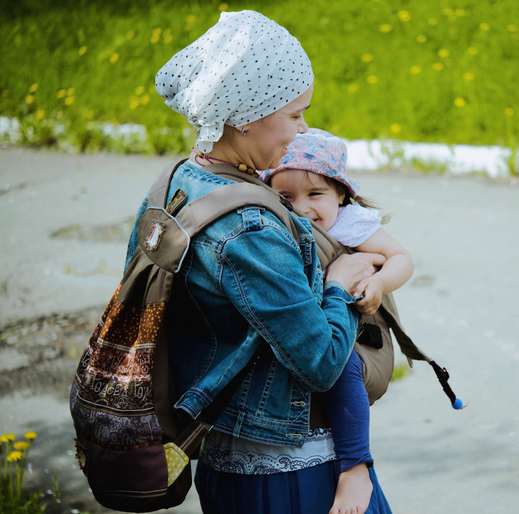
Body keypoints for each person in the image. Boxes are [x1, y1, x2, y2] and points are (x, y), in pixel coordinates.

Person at [127, 10, 392, 514]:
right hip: (294, 471)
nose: (303, 128)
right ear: (247, 115)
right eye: (295, 115)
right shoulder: (249, 226)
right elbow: (321, 362)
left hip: (227, 458)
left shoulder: (178, 182)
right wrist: (338, 286)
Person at [262, 129, 414, 514]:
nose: (301, 208)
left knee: (342, 369)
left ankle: (355, 464)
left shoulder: (350, 224)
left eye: (315, 194)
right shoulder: (269, 223)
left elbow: (401, 258)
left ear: (341, 195)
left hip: (345, 332)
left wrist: (378, 282)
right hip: (303, 326)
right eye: (286, 197)